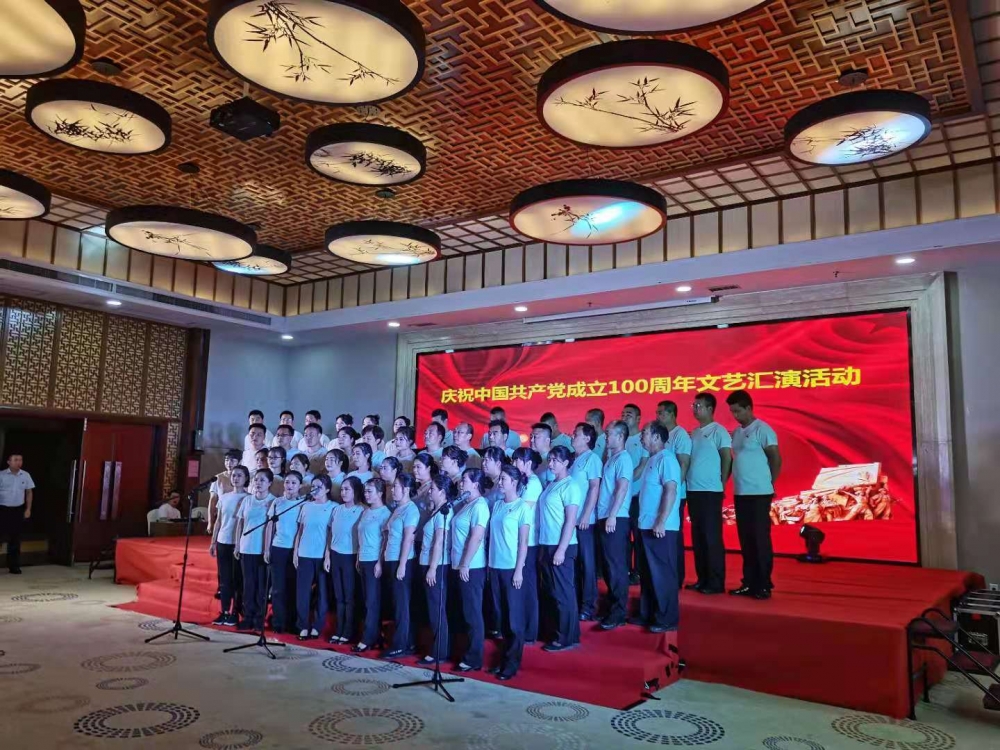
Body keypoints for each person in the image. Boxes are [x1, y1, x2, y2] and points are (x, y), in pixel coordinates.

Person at [727, 390, 781, 600]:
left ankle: (763, 584)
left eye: (738, 411)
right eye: (732, 412)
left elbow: (775, 458)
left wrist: (770, 483)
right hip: (741, 492)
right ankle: (749, 582)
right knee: (746, 539)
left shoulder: (762, 429)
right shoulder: (737, 432)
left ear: (749, 408)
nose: (735, 415)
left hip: (759, 493)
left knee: (760, 539)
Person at [637, 423, 682, 633]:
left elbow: (671, 490)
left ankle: (667, 618)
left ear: (656, 437)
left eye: (644, 433)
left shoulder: (667, 459)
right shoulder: (652, 459)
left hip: (661, 527)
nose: (641, 437)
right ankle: (648, 613)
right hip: (646, 525)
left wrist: (661, 521)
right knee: (647, 573)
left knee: (662, 574)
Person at [489, 464, 532, 681]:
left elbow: (523, 542)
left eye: (503, 479)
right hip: (494, 566)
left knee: (514, 618)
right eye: (500, 479)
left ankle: (512, 663)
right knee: (502, 616)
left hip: (511, 568)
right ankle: (503, 658)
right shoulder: (497, 505)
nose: (500, 482)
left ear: (514, 482)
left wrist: (519, 570)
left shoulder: (522, 507)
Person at [536, 445, 581, 651]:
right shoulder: (552, 484)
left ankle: (566, 637)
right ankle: (557, 631)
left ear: (566, 463)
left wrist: (561, 549)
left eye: (556, 460)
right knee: (552, 591)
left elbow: (570, 520)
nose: (551, 463)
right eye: (550, 459)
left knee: (563, 592)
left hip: (562, 544)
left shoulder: (570, 486)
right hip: (546, 542)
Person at [687, 393, 732, 594]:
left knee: (711, 537)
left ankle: (715, 582)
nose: (695, 409)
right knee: (698, 537)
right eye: (694, 405)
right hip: (693, 490)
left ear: (710, 409)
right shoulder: (695, 432)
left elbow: (727, 458)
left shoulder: (718, 431)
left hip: (710, 491)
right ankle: (702, 579)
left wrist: (722, 483)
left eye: (699, 406)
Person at [452, 468, 491, 673]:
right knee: (464, 612)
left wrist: (465, 563)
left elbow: (476, 537)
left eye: (464, 480)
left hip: (472, 566)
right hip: (459, 564)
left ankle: (474, 657)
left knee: (472, 613)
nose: (460, 484)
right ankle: (463, 651)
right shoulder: (465, 504)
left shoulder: (480, 505)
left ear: (475, 484)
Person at [596, 420, 635, 631]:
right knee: (608, 566)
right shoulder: (612, 458)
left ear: (620, 436)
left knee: (616, 565)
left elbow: (622, 487)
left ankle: (619, 612)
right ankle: (612, 607)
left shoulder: (624, 459)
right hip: (606, 516)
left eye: (609, 434)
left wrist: (612, 515)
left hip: (616, 518)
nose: (606, 437)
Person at [293, 474, 335, 640]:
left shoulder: (333, 507)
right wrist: (296, 552)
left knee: (322, 593)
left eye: (319, 487)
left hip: (322, 555)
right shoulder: (306, 507)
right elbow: (300, 531)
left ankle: (317, 626)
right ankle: (303, 625)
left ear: (327, 489)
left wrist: (327, 555)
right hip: (304, 553)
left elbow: (331, 533)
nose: (315, 490)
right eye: (313, 486)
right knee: (302, 592)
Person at [420, 473, 455, 665]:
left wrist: (433, 568)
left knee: (437, 608)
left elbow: (440, 541)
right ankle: (437, 648)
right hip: (427, 561)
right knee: (432, 607)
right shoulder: (436, 510)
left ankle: (440, 651)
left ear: (442, 491)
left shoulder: (444, 512)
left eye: (432, 489)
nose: (429, 492)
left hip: (437, 564)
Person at [234, 468, 275, 631]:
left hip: (262, 550)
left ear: (270, 483)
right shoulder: (247, 500)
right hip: (246, 547)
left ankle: (259, 618)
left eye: (262, 480)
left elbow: (272, 527)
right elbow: (240, 523)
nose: (258, 483)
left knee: (261, 587)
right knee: (248, 585)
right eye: (256, 479)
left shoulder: (273, 501)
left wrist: (267, 549)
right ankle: (247, 617)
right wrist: (237, 544)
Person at [383, 475, 420, 657]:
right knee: (398, 603)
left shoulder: (411, 509)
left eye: (396, 486)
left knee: (401, 605)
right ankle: (408, 642)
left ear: (406, 489)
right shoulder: (398, 508)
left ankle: (400, 645)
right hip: (391, 558)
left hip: (402, 560)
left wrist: (402, 564)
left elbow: (408, 539)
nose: (392, 490)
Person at [656, 400, 692, 586]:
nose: (658, 416)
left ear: (672, 414)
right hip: (660, 494)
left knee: (674, 536)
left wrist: (675, 491)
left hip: (674, 495)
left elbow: (683, 464)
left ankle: (677, 577)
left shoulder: (680, 435)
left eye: (661, 413)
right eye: (657, 413)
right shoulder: (661, 435)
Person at [210, 464, 250, 625]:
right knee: (224, 579)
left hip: (238, 543)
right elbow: (219, 521)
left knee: (237, 579)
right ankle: (224, 611)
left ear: (246, 478)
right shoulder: (225, 497)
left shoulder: (248, 498)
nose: (236, 478)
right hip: (223, 540)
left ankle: (235, 612)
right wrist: (213, 542)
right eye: (233, 475)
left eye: (239, 475)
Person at [354, 477, 391, 653]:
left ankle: (368, 638)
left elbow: (385, 541)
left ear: (380, 493)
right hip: (363, 558)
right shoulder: (366, 511)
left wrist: (379, 562)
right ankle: (374, 635)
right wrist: (358, 557)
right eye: (365, 491)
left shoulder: (385, 513)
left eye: (370, 491)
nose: (366, 494)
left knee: (372, 601)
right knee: (366, 599)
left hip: (374, 560)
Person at [571, 422, 603, 621]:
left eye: (576, 434)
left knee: (587, 563)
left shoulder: (592, 459)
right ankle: (575, 601)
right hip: (570, 521)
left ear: (587, 438)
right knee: (574, 563)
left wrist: (586, 514)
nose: (572, 436)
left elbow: (594, 487)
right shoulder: (573, 459)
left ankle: (588, 606)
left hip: (585, 521)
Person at [328, 476, 364, 644]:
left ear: (356, 491)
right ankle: (339, 629)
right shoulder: (337, 509)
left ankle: (348, 631)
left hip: (351, 555)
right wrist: (327, 555)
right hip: (335, 554)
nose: (343, 492)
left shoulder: (361, 510)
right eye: (342, 489)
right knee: (339, 595)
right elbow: (330, 534)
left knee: (349, 597)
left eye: (347, 489)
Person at [265, 471, 302, 634]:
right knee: (278, 588)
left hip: (295, 550)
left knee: (293, 587)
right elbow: (270, 526)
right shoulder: (277, 502)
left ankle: (292, 622)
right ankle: (278, 622)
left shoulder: (303, 504)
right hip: (278, 547)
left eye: (294, 483)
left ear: (300, 486)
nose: (290, 486)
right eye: (287, 482)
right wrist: (267, 548)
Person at [512, 447, 542, 644]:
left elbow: (521, 510)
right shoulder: (523, 482)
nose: (514, 464)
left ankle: (530, 631)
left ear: (528, 463)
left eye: (517, 461)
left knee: (528, 586)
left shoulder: (533, 483)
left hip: (528, 542)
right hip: (518, 540)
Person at [622, 403, 649, 584]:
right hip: (621, 498)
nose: (625, 417)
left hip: (637, 496)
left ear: (638, 418)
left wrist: (625, 482)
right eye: (623, 414)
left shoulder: (643, 439)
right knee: (623, 538)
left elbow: (643, 465)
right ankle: (625, 570)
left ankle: (638, 572)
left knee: (638, 537)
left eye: (629, 414)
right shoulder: (620, 439)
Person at [0, 453, 34, 574]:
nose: (18, 462)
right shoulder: (1, 475)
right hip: (2, 509)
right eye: (15, 460)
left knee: (15, 538)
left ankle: (14, 565)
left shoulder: (25, 475)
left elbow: (29, 492)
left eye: (20, 460)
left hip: (17, 510)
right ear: (9, 462)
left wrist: (28, 509)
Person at [209, 450, 242, 536]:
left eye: (232, 460)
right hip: (221, 517)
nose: (229, 463)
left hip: (239, 517)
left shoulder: (244, 477)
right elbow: (212, 501)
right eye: (227, 460)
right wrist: (210, 522)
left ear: (239, 462)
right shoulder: (218, 478)